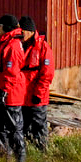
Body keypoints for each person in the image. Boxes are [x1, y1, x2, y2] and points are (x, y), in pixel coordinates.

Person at [0, 14, 29, 162]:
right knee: (1, 127)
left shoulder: (12, 45)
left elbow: (11, 72)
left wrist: (4, 91)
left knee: (14, 127)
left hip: (10, 93)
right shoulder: (6, 43)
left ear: (6, 27)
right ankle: (5, 156)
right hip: (3, 90)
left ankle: (20, 158)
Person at [19, 15, 54, 152]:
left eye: (22, 32)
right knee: (22, 126)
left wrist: (38, 94)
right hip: (21, 96)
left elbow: (47, 74)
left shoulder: (43, 48)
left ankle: (42, 151)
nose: (20, 35)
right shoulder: (19, 46)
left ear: (30, 31)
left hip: (36, 97)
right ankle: (25, 151)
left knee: (39, 125)